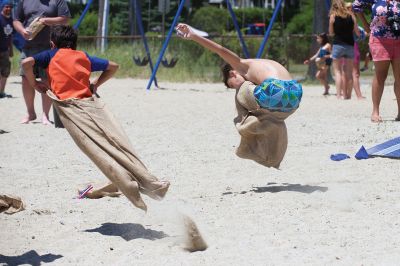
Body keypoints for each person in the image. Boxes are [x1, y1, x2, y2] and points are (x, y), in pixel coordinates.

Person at [21, 25, 170, 211]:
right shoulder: (83, 56)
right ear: (74, 44)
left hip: (70, 108)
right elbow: (114, 67)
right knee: (117, 143)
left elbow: (26, 63)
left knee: (96, 149)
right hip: (91, 104)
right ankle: (150, 181)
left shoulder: (51, 55)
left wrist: (34, 84)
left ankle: (128, 182)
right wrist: (96, 84)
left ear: (52, 44)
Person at [176, 23, 303, 168]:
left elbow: (220, 50)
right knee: (271, 118)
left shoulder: (242, 65)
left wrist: (194, 36)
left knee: (241, 91)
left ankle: (244, 129)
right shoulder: (263, 62)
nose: (233, 85)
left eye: (231, 83)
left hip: (275, 91)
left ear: (232, 73)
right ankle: (271, 144)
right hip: (295, 94)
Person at [13, 0, 70, 124]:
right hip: (28, 46)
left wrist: (46, 21)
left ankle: (45, 115)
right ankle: (30, 113)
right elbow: (16, 20)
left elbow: (65, 19)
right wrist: (22, 31)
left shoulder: (58, 1)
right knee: (26, 79)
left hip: (50, 47)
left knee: (46, 79)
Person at [353, 0, 400, 122]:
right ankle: (375, 112)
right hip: (380, 40)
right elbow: (356, 5)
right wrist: (366, 25)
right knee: (380, 76)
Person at [329, 0, 360, 99]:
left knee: (337, 72)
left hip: (338, 44)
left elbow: (331, 33)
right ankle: (348, 96)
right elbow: (357, 32)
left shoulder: (333, 16)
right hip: (350, 45)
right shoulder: (351, 15)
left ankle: (339, 95)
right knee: (349, 72)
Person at [346, 2, 366, 99]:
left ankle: (345, 94)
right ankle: (359, 95)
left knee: (345, 72)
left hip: (342, 45)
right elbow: (358, 34)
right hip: (353, 46)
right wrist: (364, 34)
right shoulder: (352, 19)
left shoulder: (338, 17)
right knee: (355, 73)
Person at [0, 1, 13, 99]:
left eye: (10, 7)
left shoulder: (11, 20)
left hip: (5, 50)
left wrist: (11, 49)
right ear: (2, 7)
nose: (8, 9)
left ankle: (1, 92)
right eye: (6, 7)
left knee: (5, 71)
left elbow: (10, 36)